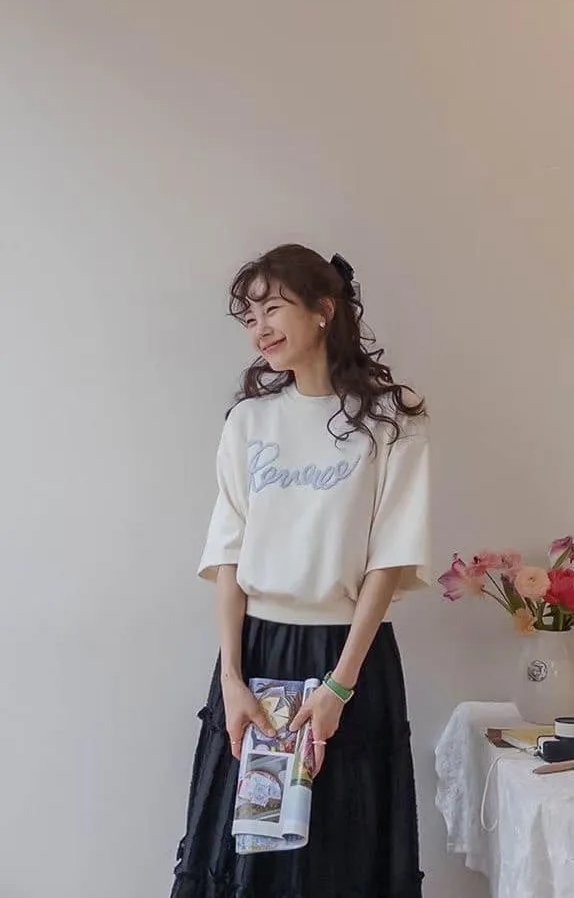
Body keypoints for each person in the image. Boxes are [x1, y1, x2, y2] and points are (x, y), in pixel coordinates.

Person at [170, 244, 430, 897]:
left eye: (272, 309)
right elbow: (227, 557)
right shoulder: (248, 422)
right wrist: (232, 680)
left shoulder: (393, 420)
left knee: (339, 856)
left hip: (349, 658)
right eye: (248, 316)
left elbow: (389, 560)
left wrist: (339, 688)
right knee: (246, 850)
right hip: (255, 654)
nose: (258, 328)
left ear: (323, 309)